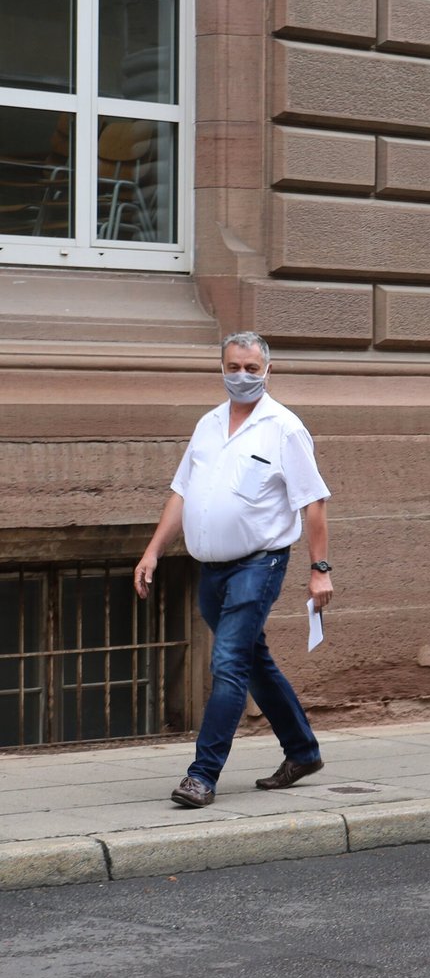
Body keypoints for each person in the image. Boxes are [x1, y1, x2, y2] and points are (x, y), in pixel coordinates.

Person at [133, 332, 333, 809]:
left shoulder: (284, 428)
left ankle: (202, 776)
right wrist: (153, 551)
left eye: (251, 368)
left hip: (259, 564)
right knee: (251, 660)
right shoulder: (207, 425)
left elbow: (314, 503)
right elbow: (181, 493)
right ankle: (303, 752)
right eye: (233, 366)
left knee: (227, 665)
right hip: (212, 570)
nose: (241, 375)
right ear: (221, 368)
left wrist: (319, 569)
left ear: (268, 371)